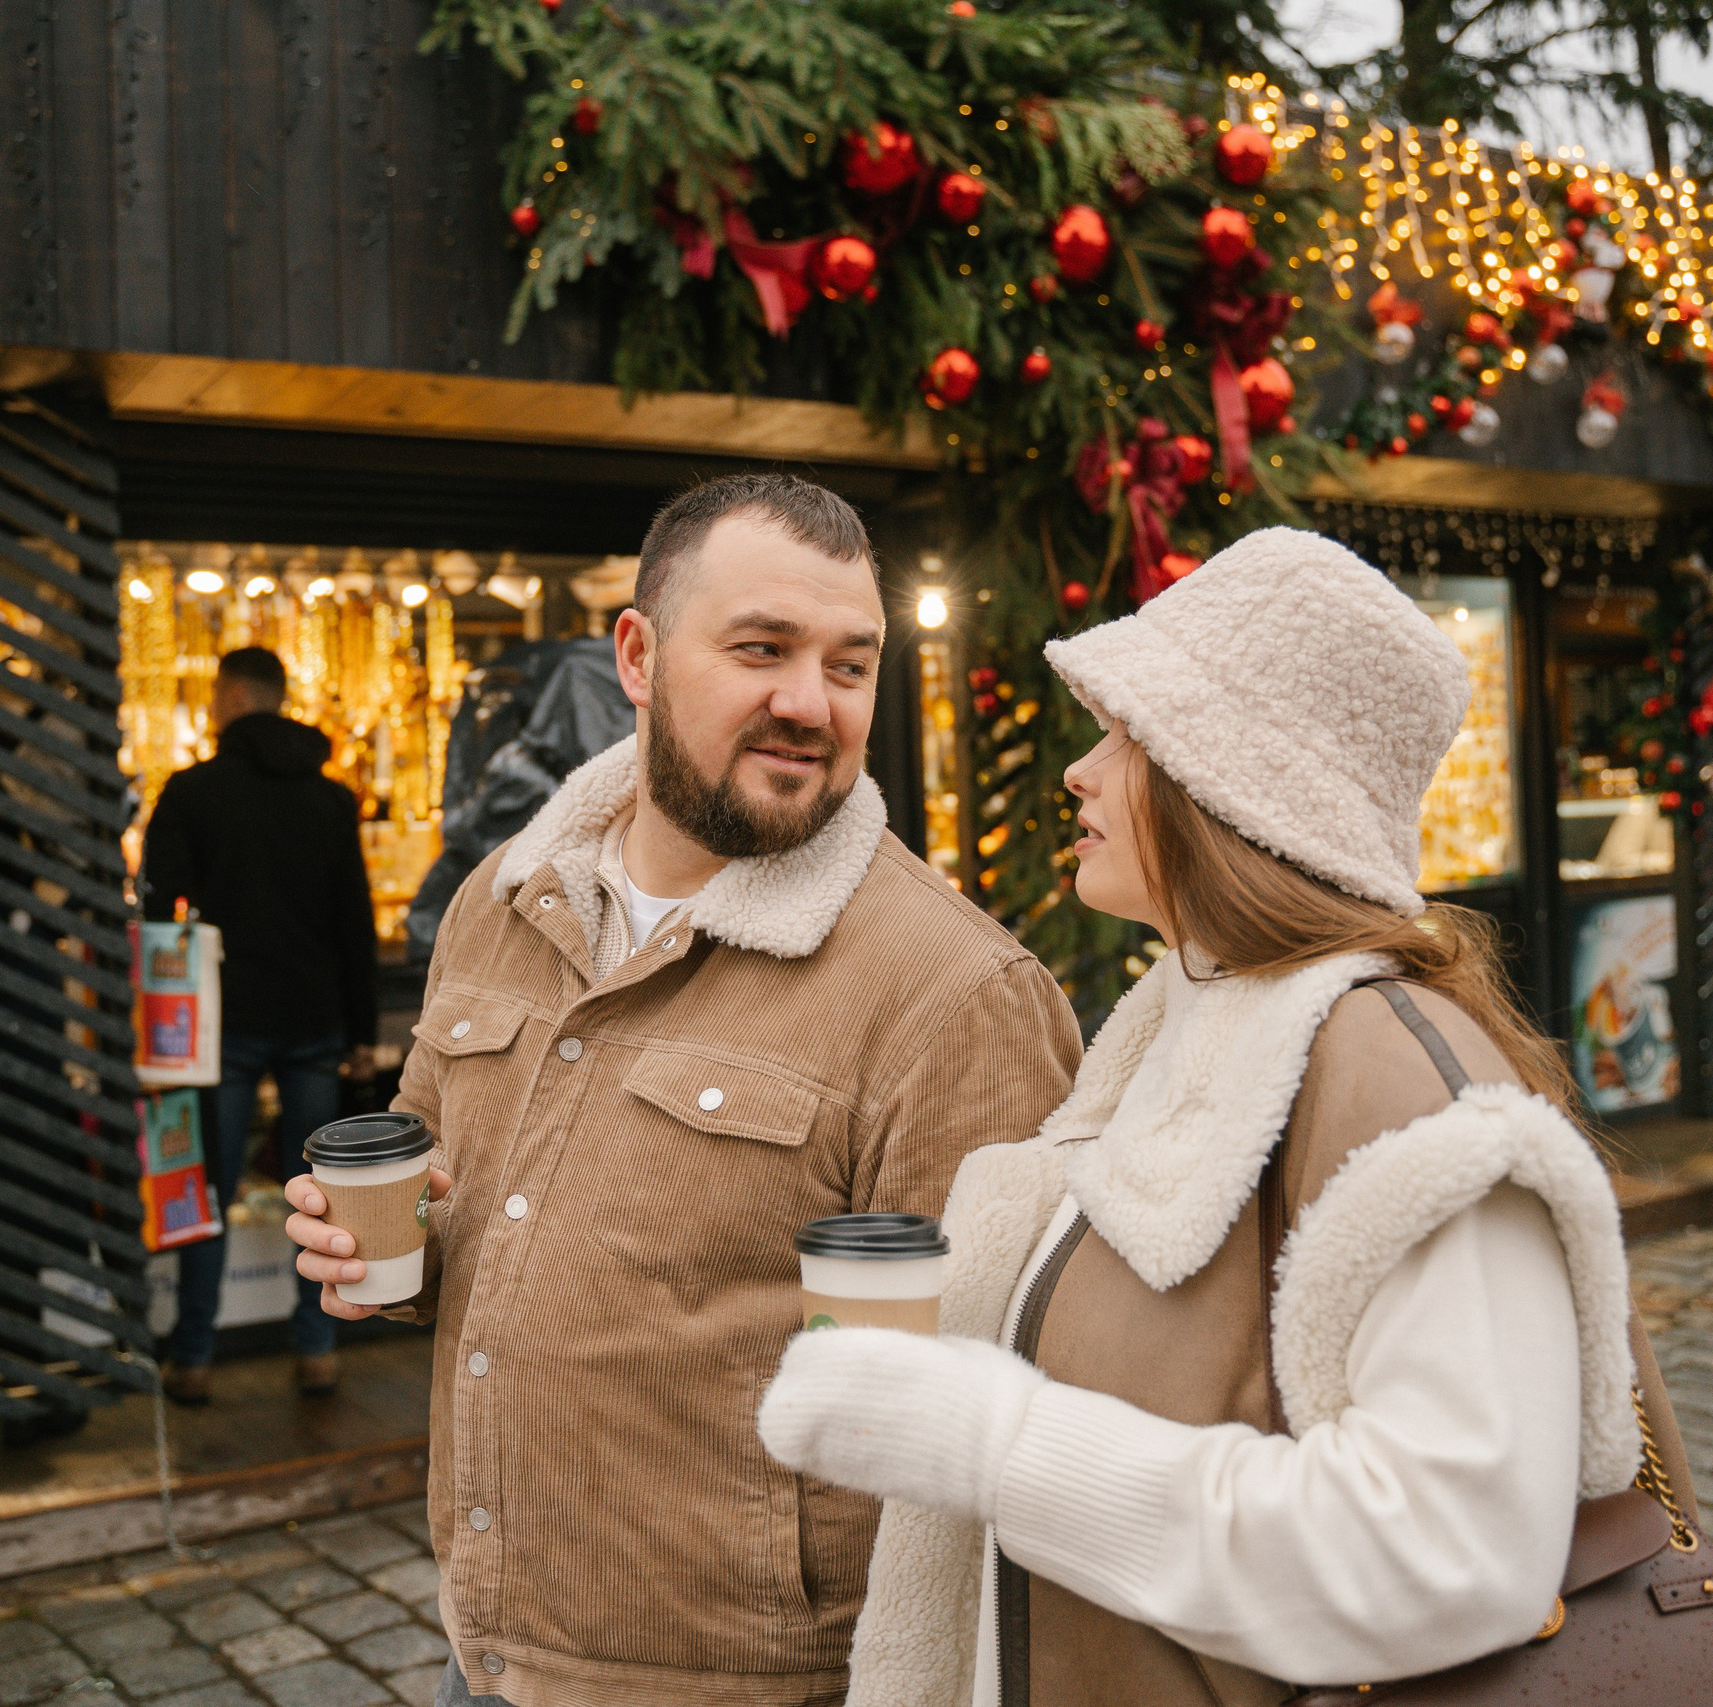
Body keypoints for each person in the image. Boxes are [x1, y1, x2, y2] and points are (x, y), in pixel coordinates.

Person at [758, 528, 1695, 1706]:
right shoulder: (1192, 1023)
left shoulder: (1395, 1081)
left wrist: (990, 1440)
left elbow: (1448, 1559)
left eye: (1125, 737)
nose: (1078, 773)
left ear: (1229, 786)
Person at [283, 473, 1081, 1707]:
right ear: (640, 656)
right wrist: (382, 1258)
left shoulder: (958, 993)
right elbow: (458, 1224)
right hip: (481, 1652)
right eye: (762, 649)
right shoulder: (505, 900)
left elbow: (986, 1436)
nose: (809, 703)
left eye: (850, 665)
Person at [142, 645, 380, 1404]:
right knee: (315, 1194)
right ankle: (318, 1351)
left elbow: (157, 903)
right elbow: (356, 925)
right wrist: (361, 1033)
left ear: (232, 697)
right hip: (313, 1018)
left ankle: (195, 1358)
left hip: (228, 1021)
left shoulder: (194, 791)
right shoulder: (331, 799)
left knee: (209, 1189)